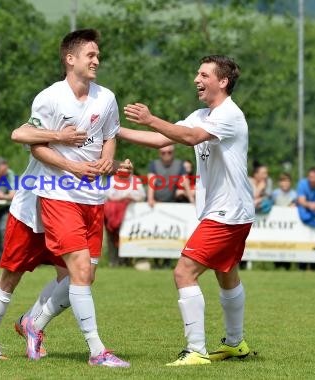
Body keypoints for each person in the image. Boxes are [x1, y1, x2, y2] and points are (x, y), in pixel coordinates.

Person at [121, 55, 255, 366]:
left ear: (222, 82)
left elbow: (191, 137)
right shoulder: (202, 114)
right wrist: (115, 130)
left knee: (184, 272)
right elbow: (160, 139)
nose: (196, 79)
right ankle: (235, 344)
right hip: (232, 211)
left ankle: (196, 350)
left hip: (226, 212)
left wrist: (151, 117)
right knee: (226, 274)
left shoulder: (229, 115)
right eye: (197, 73)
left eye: (204, 74)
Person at [25, 29, 130, 367]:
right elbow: (35, 145)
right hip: (58, 194)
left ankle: (33, 324)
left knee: (83, 276)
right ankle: (97, 351)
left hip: (93, 198)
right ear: (70, 59)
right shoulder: (50, 98)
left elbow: (110, 136)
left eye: (98, 55)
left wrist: (106, 160)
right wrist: (71, 166)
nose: (97, 60)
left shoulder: (107, 98)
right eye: (90, 55)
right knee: (81, 271)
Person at [143, 145, 194, 269]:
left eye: (169, 152)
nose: (166, 155)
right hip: (155, 202)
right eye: (163, 152)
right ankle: (155, 262)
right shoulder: (153, 164)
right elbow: (152, 181)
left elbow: (185, 181)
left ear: (173, 152)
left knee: (169, 233)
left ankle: (167, 262)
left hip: (171, 203)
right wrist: (150, 198)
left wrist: (192, 199)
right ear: (159, 153)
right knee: (155, 233)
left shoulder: (179, 165)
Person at [104, 172, 145, 267]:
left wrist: (130, 197)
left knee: (127, 239)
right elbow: (109, 196)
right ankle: (113, 262)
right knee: (112, 239)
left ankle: (126, 261)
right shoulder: (113, 180)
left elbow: (142, 196)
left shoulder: (135, 180)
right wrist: (125, 197)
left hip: (131, 217)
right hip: (112, 215)